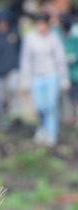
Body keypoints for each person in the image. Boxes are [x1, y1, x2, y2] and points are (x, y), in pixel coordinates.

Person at [20, 12, 69, 146]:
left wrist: (64, 78)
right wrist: (25, 79)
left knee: (50, 106)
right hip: (36, 76)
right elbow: (26, 60)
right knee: (40, 106)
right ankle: (42, 127)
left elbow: (60, 59)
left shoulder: (53, 38)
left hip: (51, 75)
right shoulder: (30, 38)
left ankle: (51, 134)